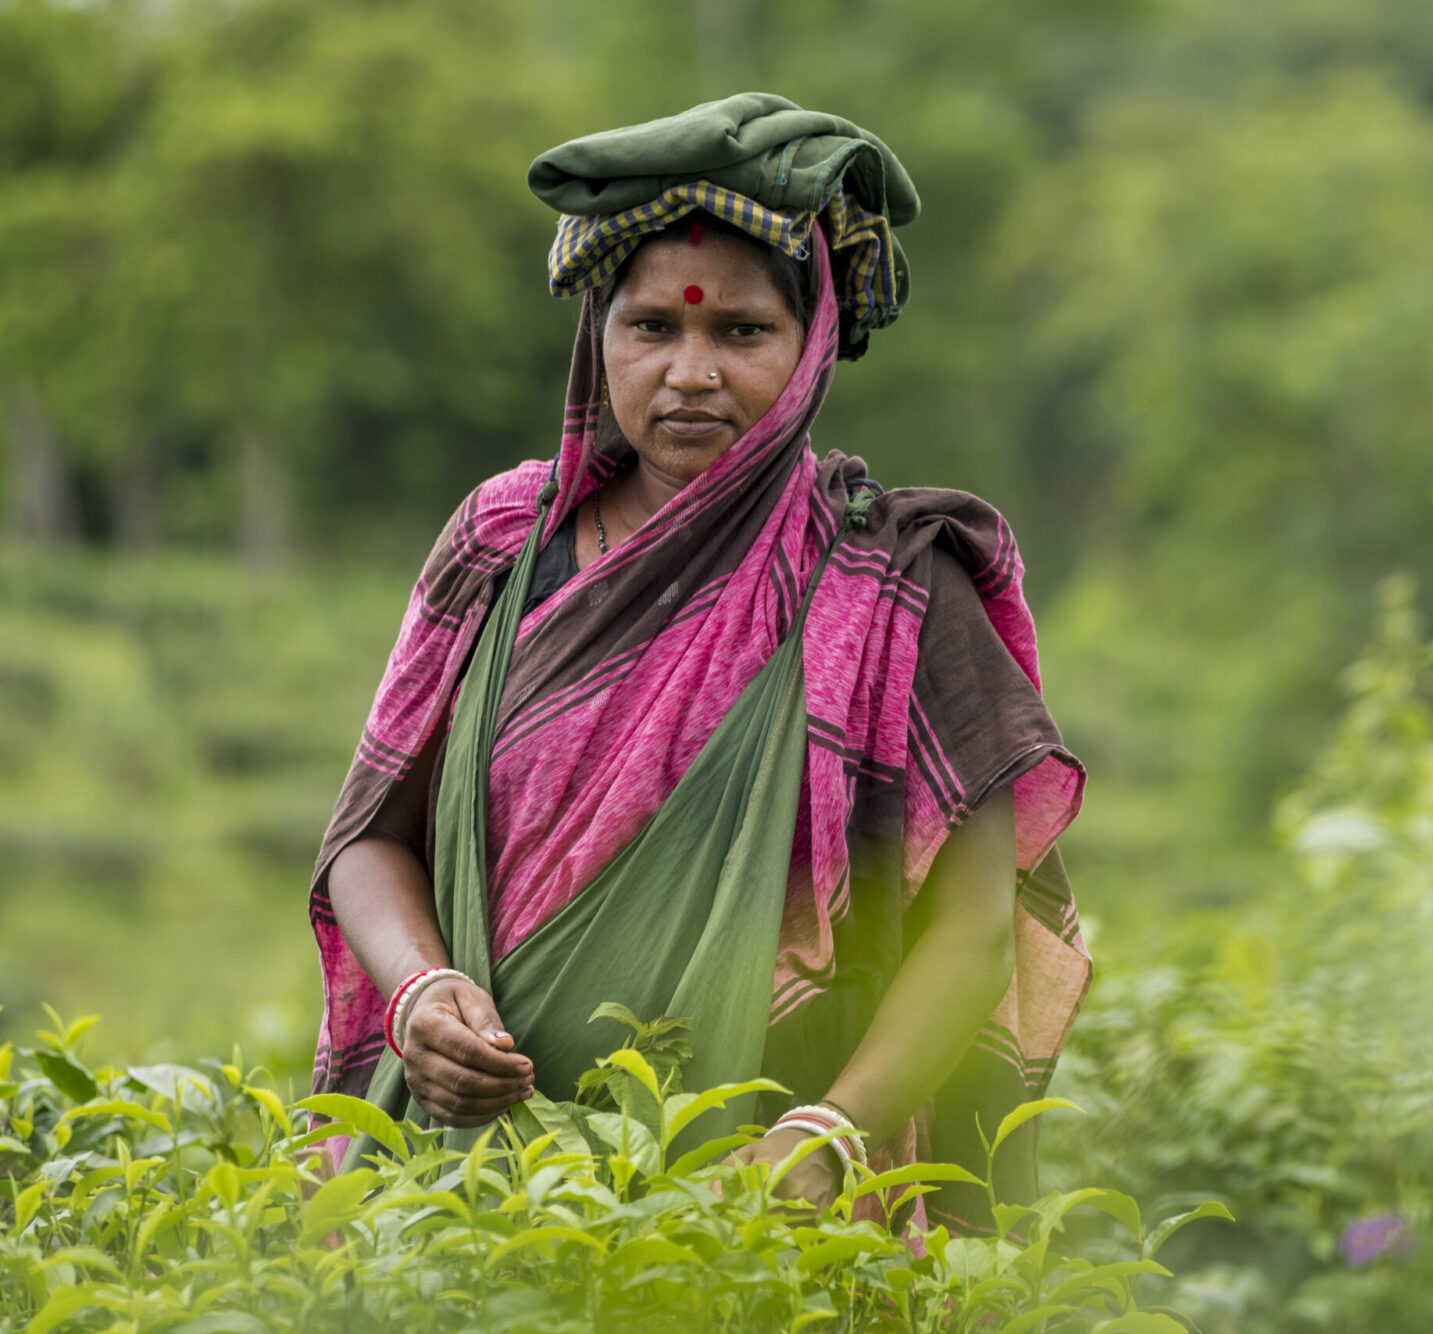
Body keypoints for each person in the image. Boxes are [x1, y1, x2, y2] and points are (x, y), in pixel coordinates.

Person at [306, 94, 1087, 1230]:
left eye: (740, 332)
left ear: (811, 342)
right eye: (650, 328)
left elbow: (968, 932)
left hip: (778, 1212)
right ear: (597, 335)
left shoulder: (897, 581)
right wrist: (423, 988)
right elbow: (370, 836)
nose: (688, 372)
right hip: (470, 1183)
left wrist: (827, 1133)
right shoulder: (503, 545)